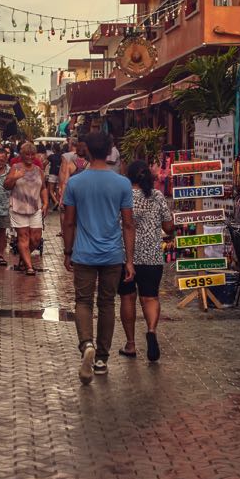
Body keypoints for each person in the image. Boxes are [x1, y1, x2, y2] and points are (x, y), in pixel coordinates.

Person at [62, 131, 135, 384]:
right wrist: (129, 260)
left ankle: (87, 345)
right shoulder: (122, 183)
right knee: (107, 304)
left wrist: (67, 252)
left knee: (83, 302)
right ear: (110, 150)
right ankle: (102, 358)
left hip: (83, 253)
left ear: (88, 152)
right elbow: (128, 224)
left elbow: (69, 222)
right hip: (113, 254)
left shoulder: (75, 183)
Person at [117, 160, 173, 362]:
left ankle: (131, 344)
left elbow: (119, 223)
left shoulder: (123, 196)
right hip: (152, 255)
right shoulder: (157, 196)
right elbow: (168, 227)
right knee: (150, 297)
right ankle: (151, 331)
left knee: (127, 298)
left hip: (125, 255)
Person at [5, 142, 47, 275]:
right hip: (18, 207)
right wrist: (15, 177)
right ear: (21, 155)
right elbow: (6, 185)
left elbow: (44, 188)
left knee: (35, 238)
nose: (29, 156)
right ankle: (29, 267)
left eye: (32, 154)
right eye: (26, 154)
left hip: (35, 208)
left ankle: (24, 259)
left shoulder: (38, 170)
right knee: (23, 237)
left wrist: (45, 203)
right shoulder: (15, 167)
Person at [46, 144, 63, 211]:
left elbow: (45, 163)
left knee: (50, 190)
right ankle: (59, 203)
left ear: (53, 149)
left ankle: (56, 202)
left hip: (52, 173)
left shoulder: (51, 156)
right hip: (59, 174)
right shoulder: (62, 156)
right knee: (57, 190)